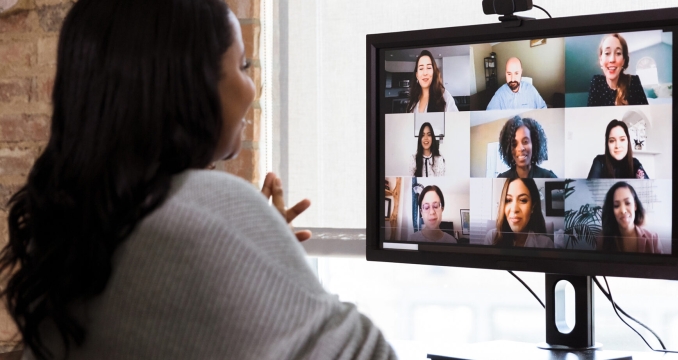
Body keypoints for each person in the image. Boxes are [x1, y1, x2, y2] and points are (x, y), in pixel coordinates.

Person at [0, 0, 395, 359]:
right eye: (242, 66)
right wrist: (251, 242)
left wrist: (263, 260)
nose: (251, 88)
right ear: (190, 83)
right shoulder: (204, 207)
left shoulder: (68, 224)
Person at [483, 178, 553, 248]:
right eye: (508, 200)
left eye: (523, 200)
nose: (514, 209)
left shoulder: (546, 244)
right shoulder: (492, 238)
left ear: (533, 207)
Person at [587, 33, 649, 107]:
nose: (612, 59)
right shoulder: (597, 82)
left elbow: (645, 115)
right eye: (607, 53)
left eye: (618, 53)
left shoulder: (633, 82)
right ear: (601, 59)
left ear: (623, 60)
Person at [600, 182, 661, 253]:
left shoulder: (653, 238)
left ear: (635, 205)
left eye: (627, 203)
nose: (623, 210)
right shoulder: (602, 239)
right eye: (616, 205)